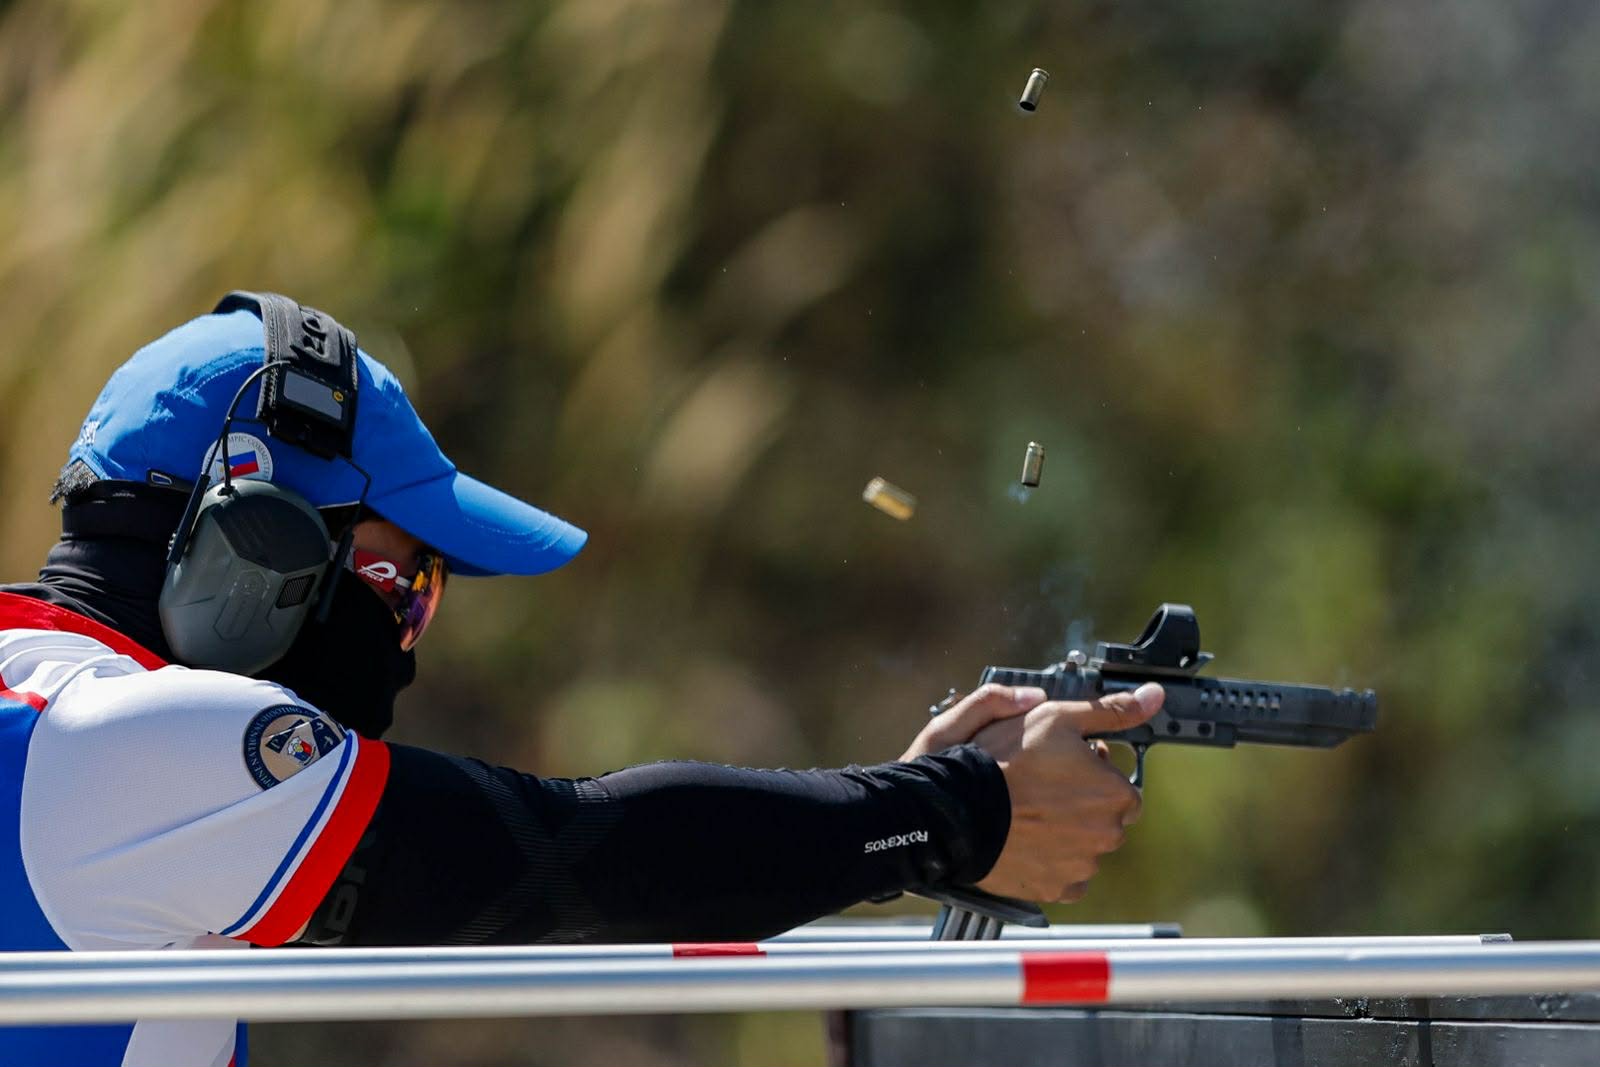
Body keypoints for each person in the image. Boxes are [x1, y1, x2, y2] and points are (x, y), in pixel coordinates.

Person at [0, 294, 1161, 1067]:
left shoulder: (56, 721)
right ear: (259, 545)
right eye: (406, 583)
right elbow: (579, 856)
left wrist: (887, 819)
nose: (405, 641)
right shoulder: (128, 743)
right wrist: (955, 812)